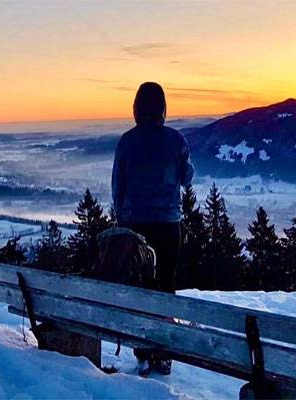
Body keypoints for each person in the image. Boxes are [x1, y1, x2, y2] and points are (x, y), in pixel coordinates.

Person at [111, 82, 194, 377]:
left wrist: (121, 217)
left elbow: (117, 187)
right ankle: (162, 352)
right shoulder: (175, 140)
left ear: (136, 108)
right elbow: (186, 178)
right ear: (163, 108)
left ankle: (143, 351)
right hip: (169, 225)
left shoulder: (126, 141)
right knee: (165, 287)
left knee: (140, 287)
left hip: (134, 226)